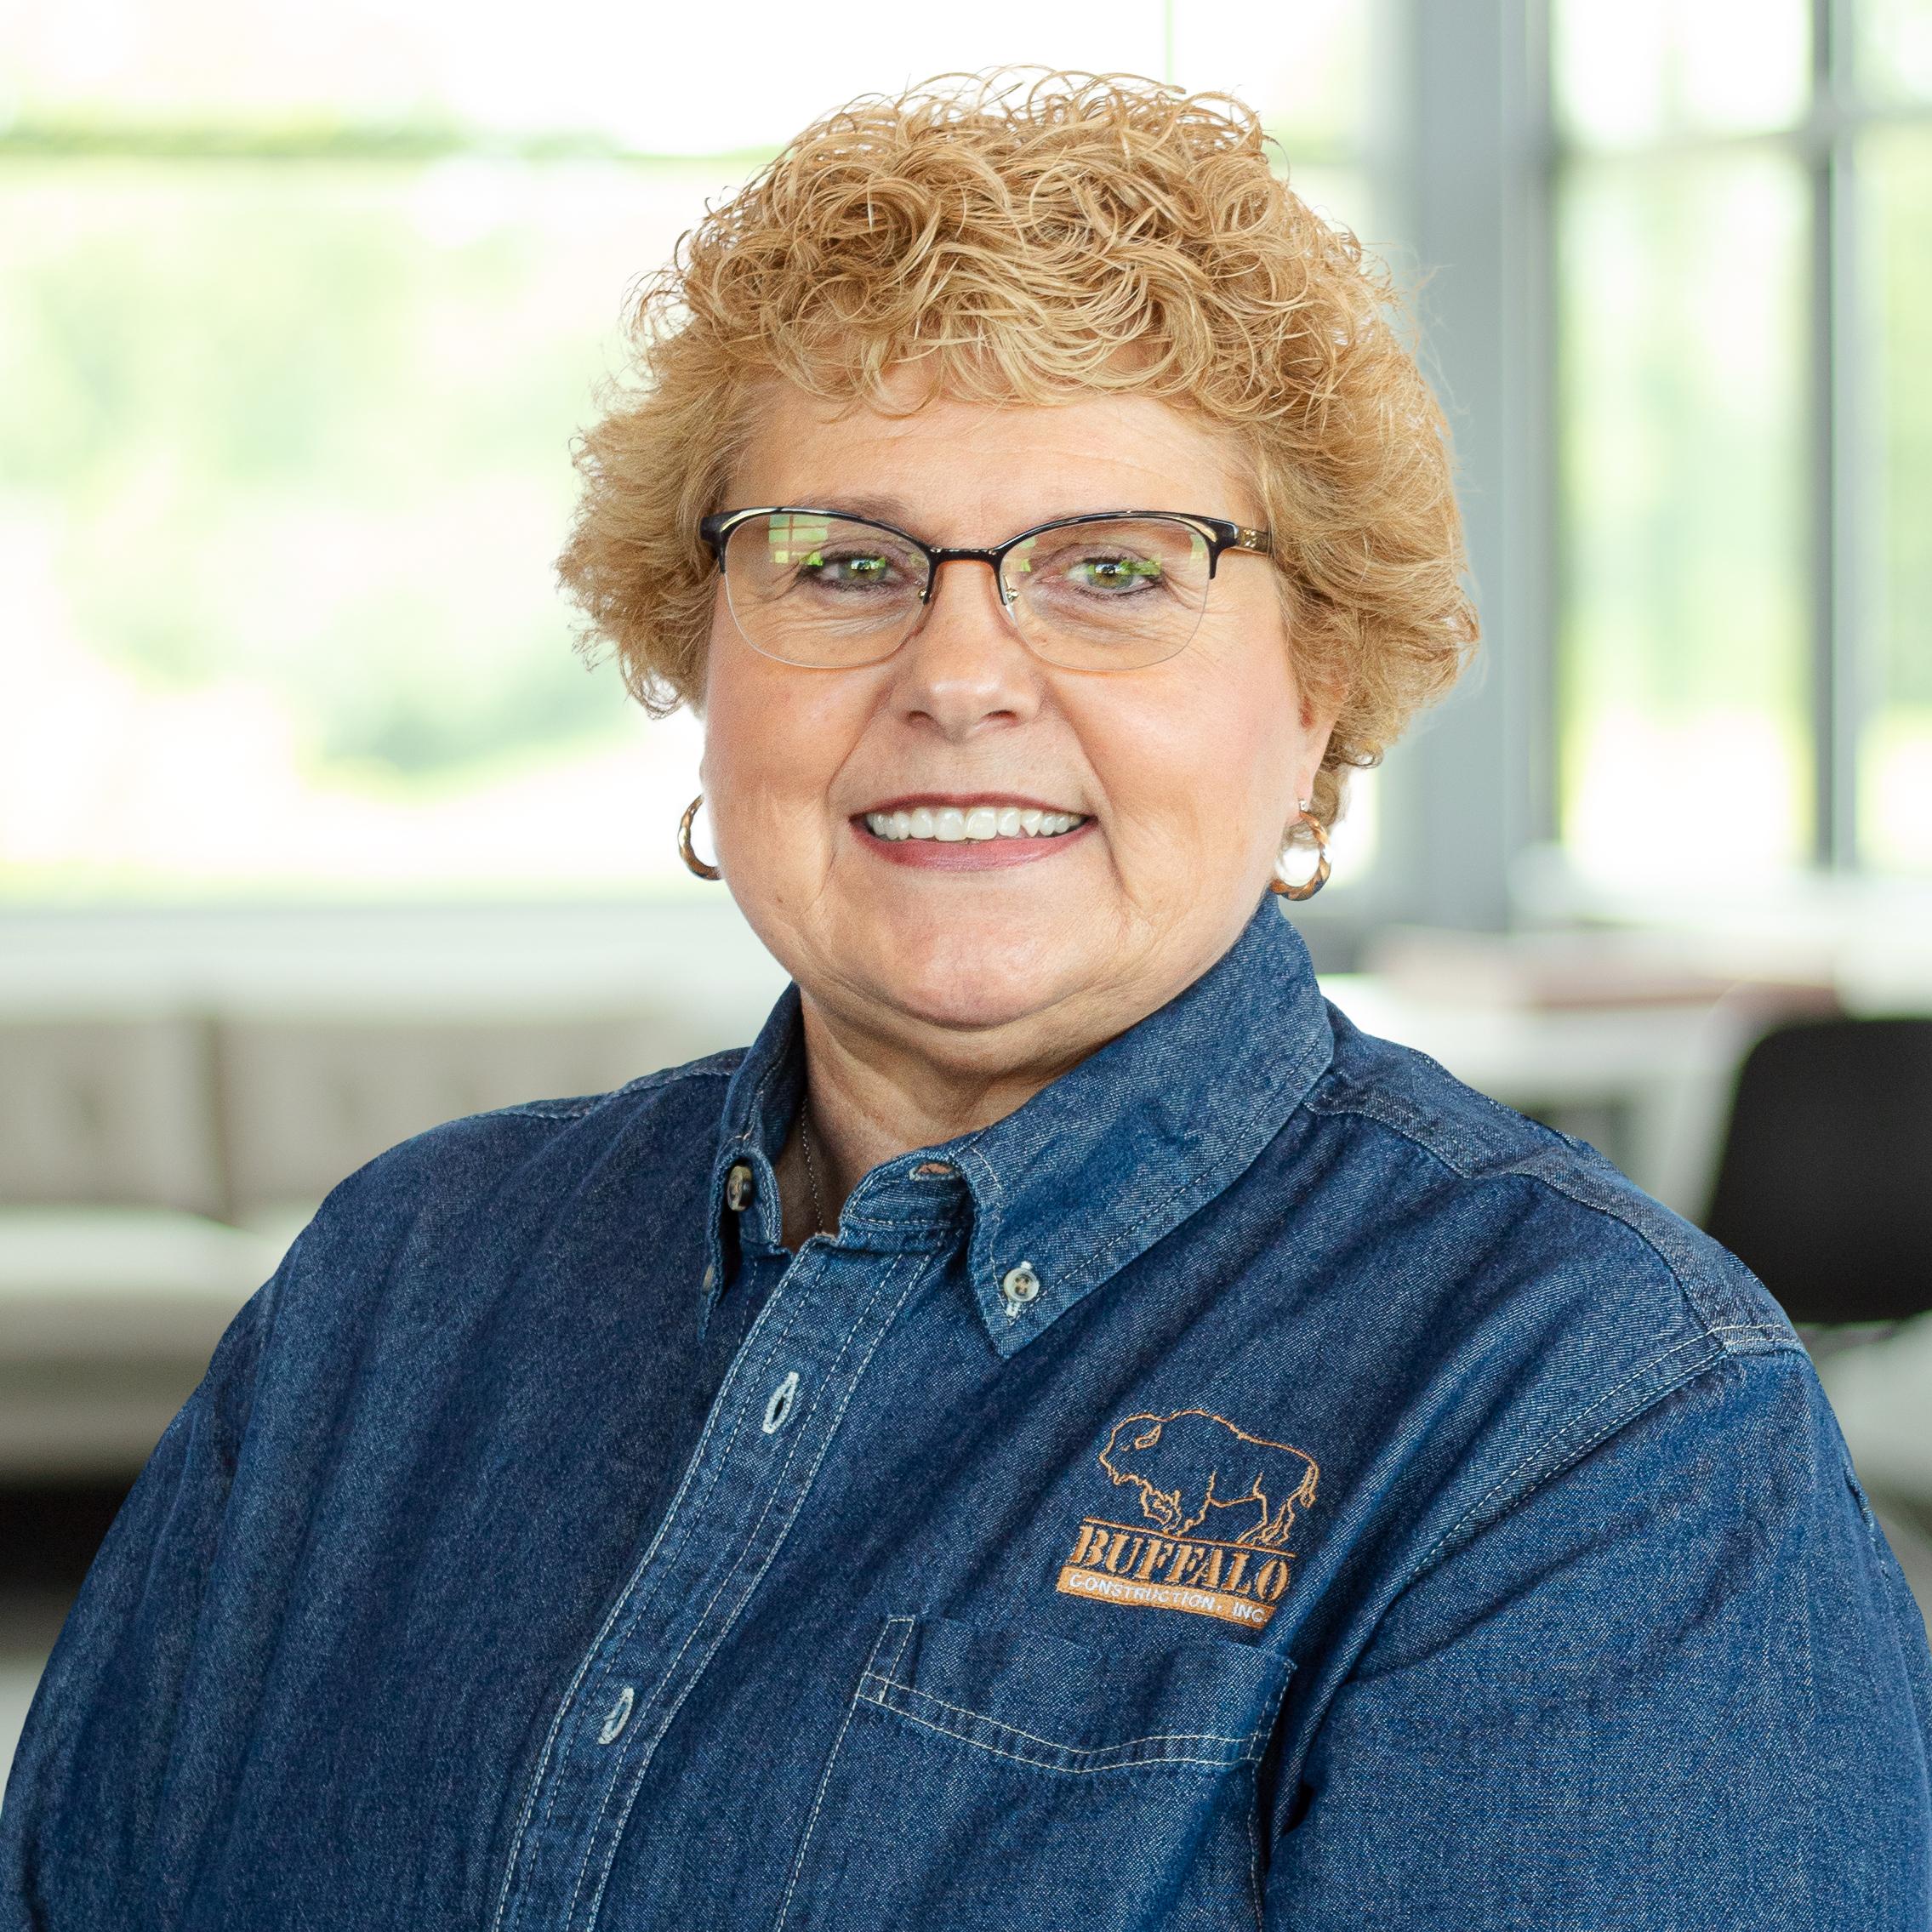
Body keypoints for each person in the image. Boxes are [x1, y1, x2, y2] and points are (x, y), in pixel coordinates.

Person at [5, 65, 1929, 1932]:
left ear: (1319, 687)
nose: (958, 671)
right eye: (842, 563)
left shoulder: (1588, 1417)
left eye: (1111, 570)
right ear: (696, 659)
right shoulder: (394, 1288)